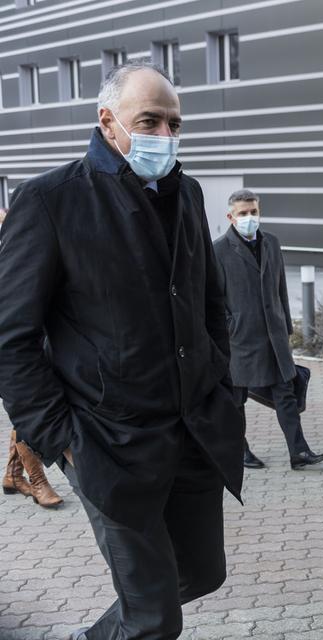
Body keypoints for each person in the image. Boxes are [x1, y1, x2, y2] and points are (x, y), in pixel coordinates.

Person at [0, 62, 244, 640]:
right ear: (108, 122)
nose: (165, 135)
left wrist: (219, 383)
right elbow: (10, 337)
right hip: (106, 443)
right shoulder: (50, 202)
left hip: (191, 432)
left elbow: (211, 301)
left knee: (200, 576)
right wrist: (61, 439)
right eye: (150, 121)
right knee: (154, 617)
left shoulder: (186, 193)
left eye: (174, 123)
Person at [213, 189, 323, 470]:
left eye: (253, 212)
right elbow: (213, 299)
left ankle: (299, 452)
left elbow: (280, 289)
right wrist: (229, 328)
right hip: (240, 339)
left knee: (285, 395)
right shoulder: (218, 250)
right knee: (236, 400)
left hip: (274, 337)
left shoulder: (271, 243)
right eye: (243, 213)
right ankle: (239, 451)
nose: (249, 217)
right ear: (231, 217)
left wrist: (285, 325)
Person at [0, 208, 63, 508]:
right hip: (8, 349)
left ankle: (13, 473)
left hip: (28, 341)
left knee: (20, 410)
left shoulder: (18, 250)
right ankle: (37, 481)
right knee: (21, 409)